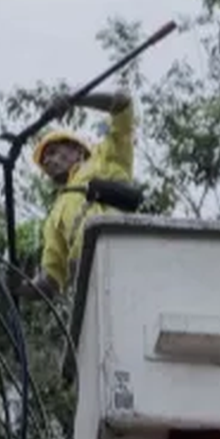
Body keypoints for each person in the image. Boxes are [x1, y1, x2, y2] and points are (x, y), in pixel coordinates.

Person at [19, 89, 134, 300]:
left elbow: (122, 104)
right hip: (88, 276)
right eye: (44, 161)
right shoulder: (54, 217)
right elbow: (51, 281)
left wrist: (75, 99)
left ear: (78, 150)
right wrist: (20, 286)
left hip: (123, 248)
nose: (48, 161)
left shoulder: (104, 158)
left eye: (53, 152)